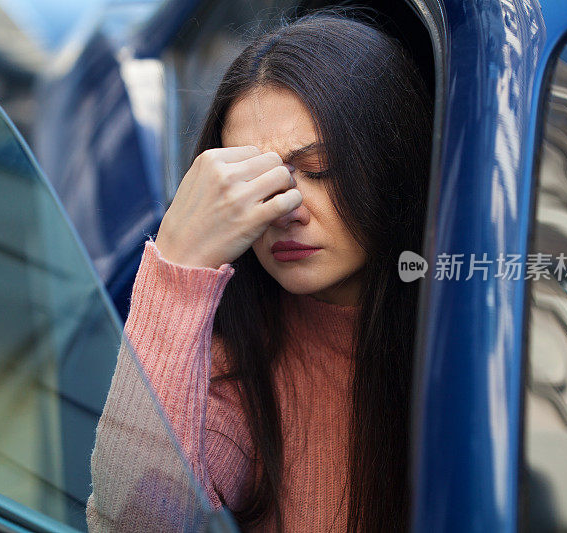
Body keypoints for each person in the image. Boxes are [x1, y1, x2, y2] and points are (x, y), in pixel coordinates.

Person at [86, 10, 432, 532]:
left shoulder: (477, 321)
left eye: (318, 170)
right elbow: (137, 520)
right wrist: (178, 264)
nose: (284, 205)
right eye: (253, 182)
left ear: (392, 161)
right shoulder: (236, 359)